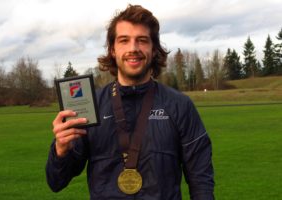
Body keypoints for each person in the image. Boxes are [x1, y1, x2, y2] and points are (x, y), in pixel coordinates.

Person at [46, 4, 214, 200]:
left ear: (154, 49)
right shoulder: (92, 106)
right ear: (112, 50)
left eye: (142, 40)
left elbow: (201, 180)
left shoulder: (179, 105)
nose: (133, 48)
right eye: (124, 40)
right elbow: (56, 182)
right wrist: (60, 151)